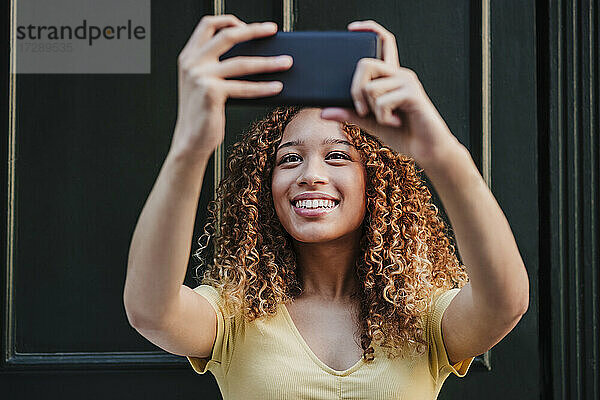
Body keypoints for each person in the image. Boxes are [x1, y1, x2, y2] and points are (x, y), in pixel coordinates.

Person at [123, 14, 530, 400]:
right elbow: (150, 313)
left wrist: (440, 152)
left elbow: (505, 304)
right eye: (289, 159)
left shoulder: (421, 314)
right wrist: (191, 147)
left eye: (337, 156)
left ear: (376, 184)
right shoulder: (234, 314)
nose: (310, 174)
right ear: (264, 190)